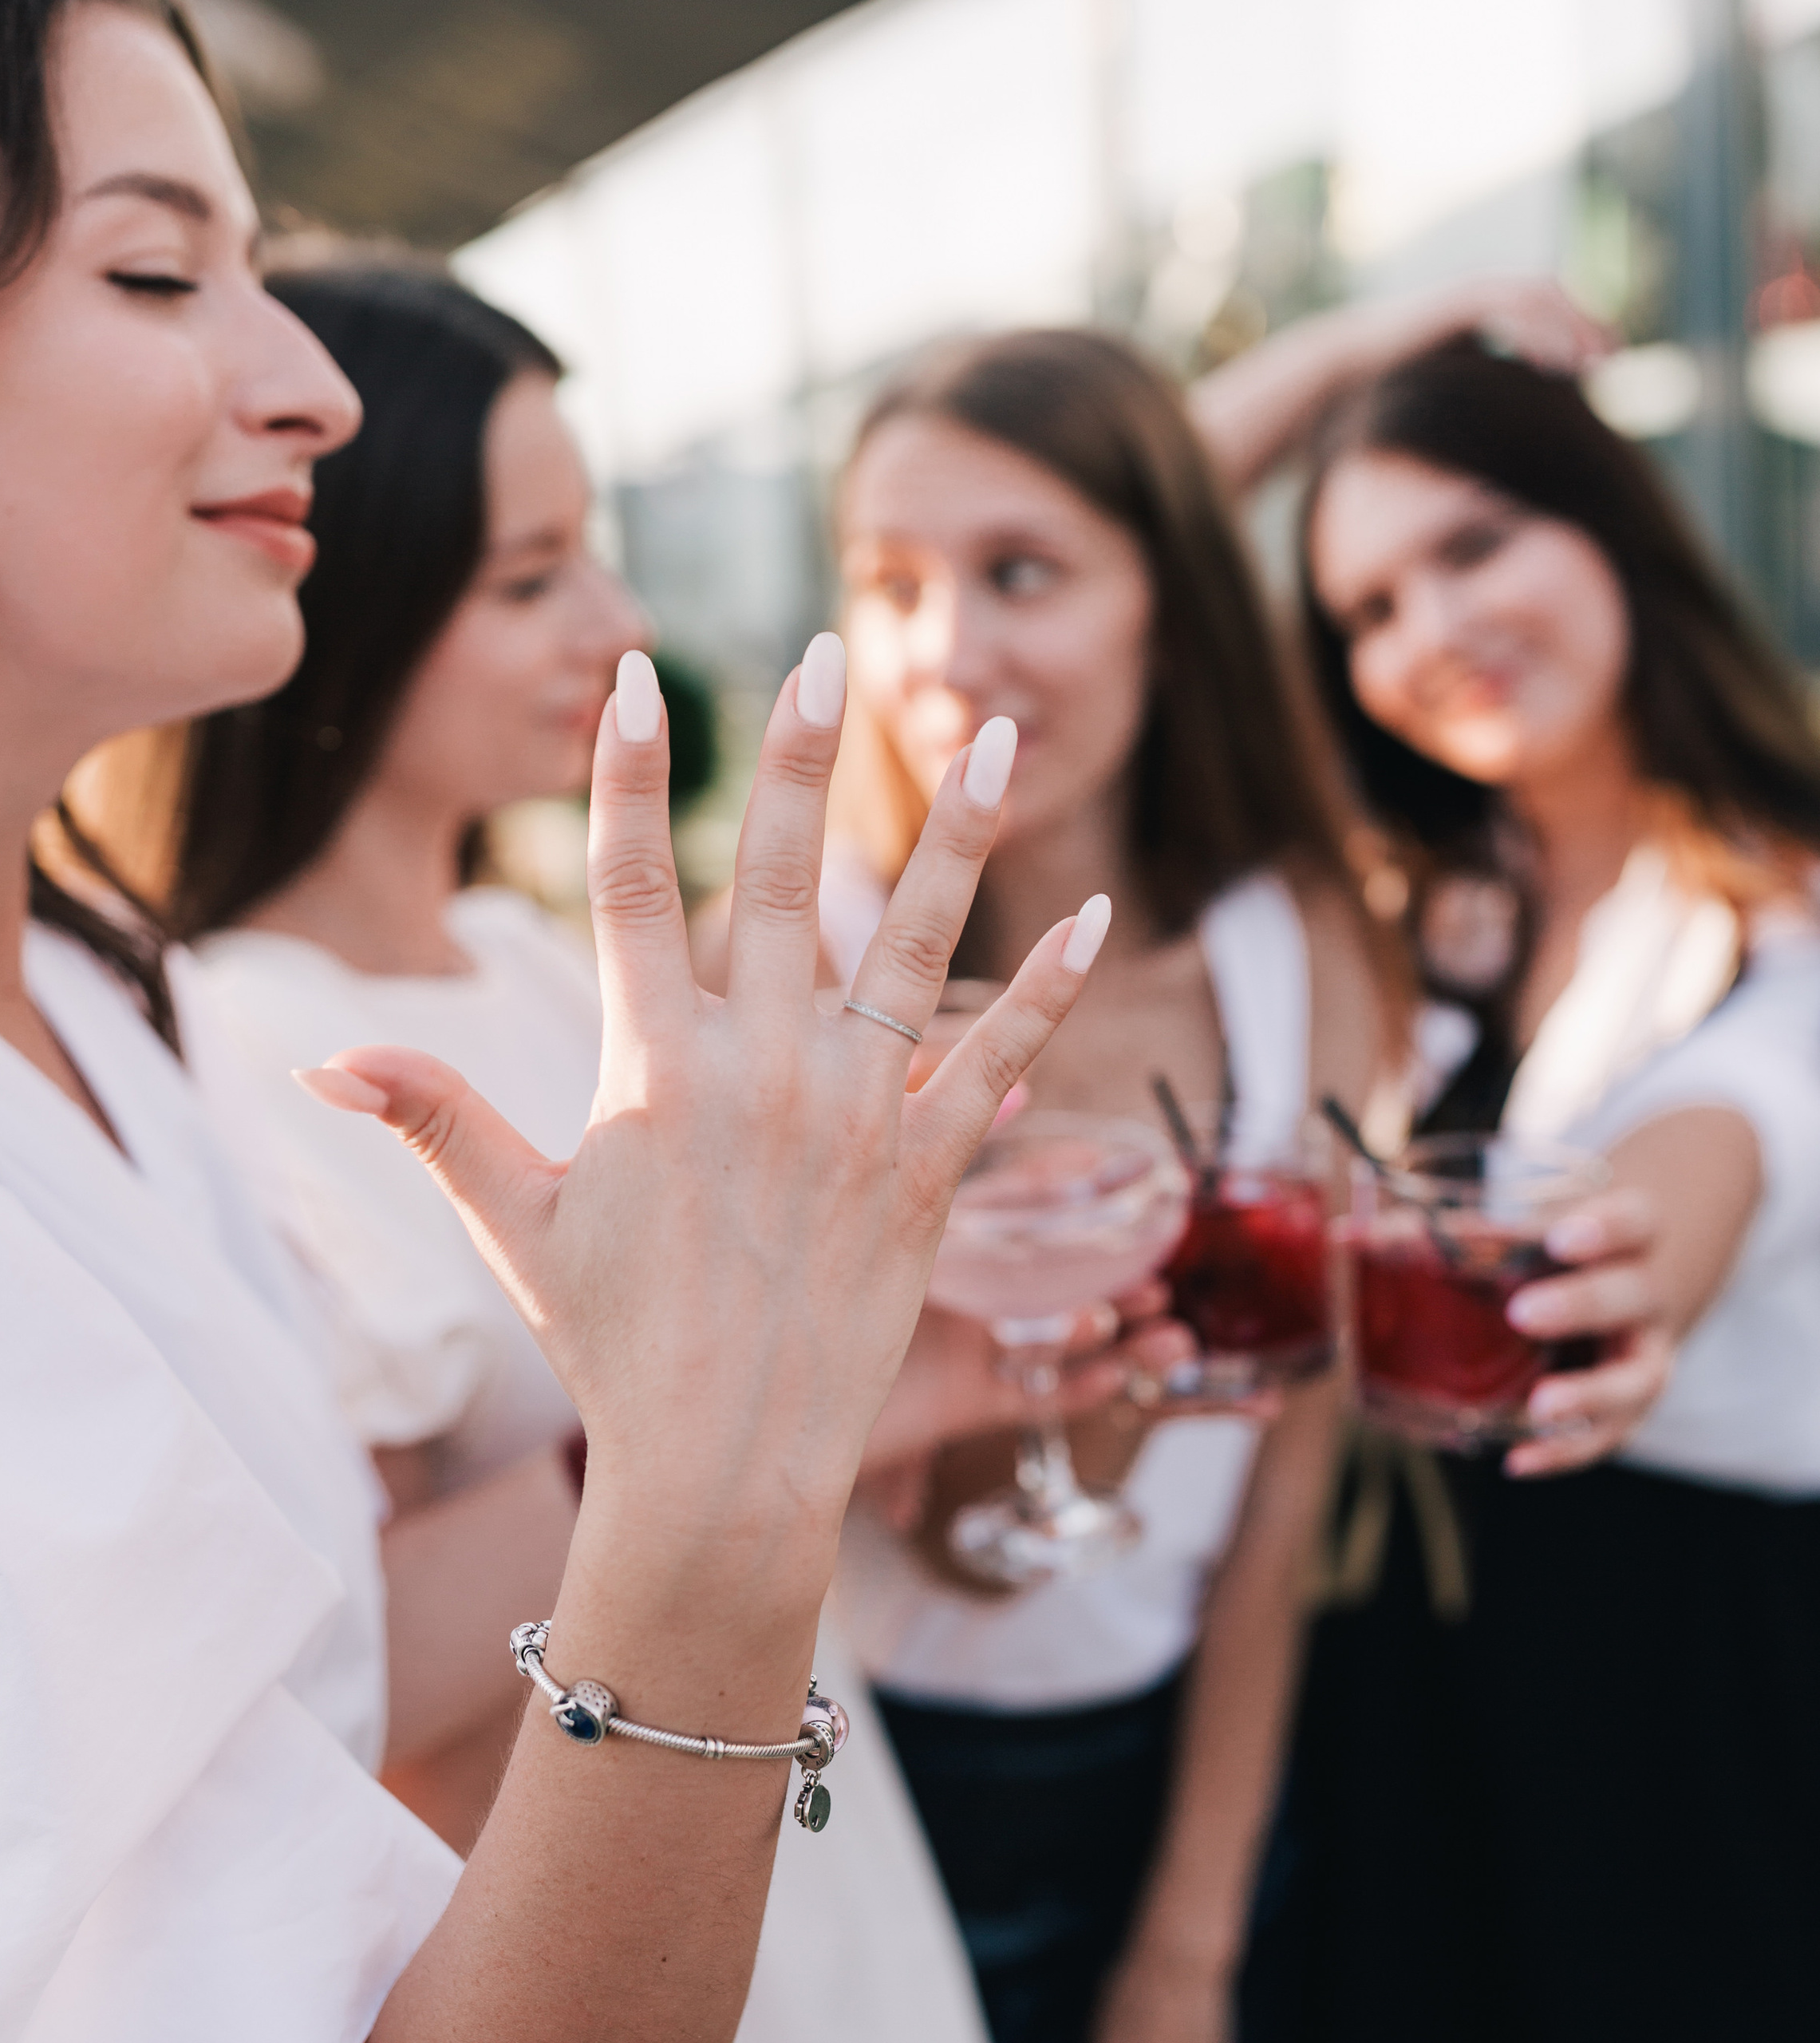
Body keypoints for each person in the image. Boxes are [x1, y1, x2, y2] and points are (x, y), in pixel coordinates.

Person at [0, 5, 1107, 2035]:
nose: (315, 388)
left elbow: (324, 1652)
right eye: (158, 270)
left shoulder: (87, 987)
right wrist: (723, 1469)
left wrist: (785, 1384)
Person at [134, 251, 1131, 2041]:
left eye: (592, 546)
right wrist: (736, 1410)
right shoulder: (232, 1051)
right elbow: (340, 1677)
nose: (615, 617)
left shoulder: (551, 961)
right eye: (529, 575)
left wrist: (936, 1334)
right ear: (343, 585)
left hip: (814, 1838)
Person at [724, 327, 1660, 2043]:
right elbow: (728, 1473)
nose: (947, 650)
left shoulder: (1284, 949)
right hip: (832, 1782)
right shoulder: (799, 963)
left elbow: (1282, 1475)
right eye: (889, 580)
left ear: (1165, 597)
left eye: (1022, 573)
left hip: (1175, 1756)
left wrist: (1189, 1935)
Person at [1235, 326, 1820, 2043]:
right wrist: (1356, 353)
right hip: (1431, 1658)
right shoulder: (1429, 903)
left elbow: (1735, 1134)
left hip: (1710, 1673)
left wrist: (1613, 1267)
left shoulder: (1808, 915)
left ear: (1604, 520)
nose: (1428, 632)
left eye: (1469, 544)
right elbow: (1118, 597)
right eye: (1366, 609)